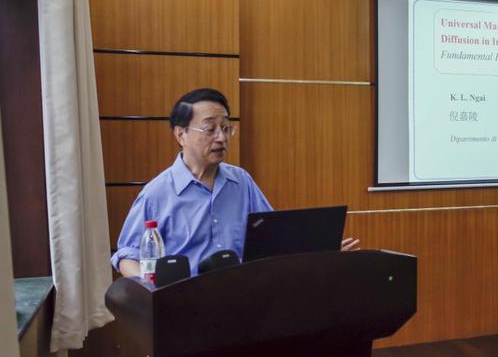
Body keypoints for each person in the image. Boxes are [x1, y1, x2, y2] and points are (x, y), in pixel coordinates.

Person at [112, 88, 358, 277]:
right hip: (187, 303)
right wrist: (153, 287)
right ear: (181, 134)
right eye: (210, 129)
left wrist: (321, 250)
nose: (221, 137)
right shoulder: (157, 193)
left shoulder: (241, 181)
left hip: (244, 296)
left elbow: (275, 239)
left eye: (226, 128)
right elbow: (127, 255)